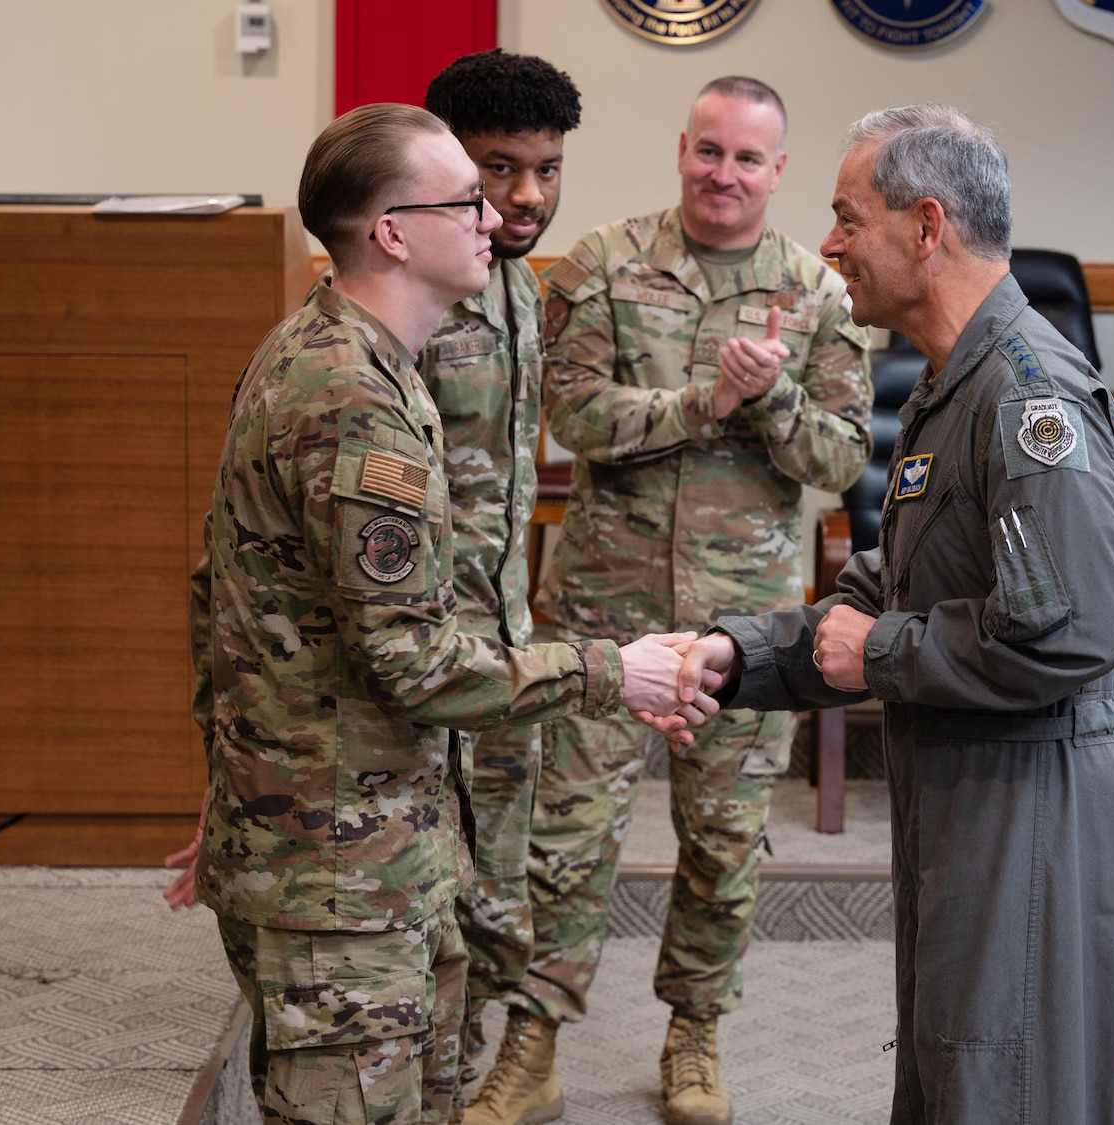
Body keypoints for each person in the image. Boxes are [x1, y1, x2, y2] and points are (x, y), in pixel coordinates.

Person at [187, 102, 711, 1125]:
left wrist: (226, 770)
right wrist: (618, 672)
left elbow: (216, 585)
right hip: (339, 865)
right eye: (465, 197)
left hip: (379, 834)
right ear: (391, 232)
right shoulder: (350, 396)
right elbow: (414, 663)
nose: (496, 216)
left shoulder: (357, 357)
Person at [676, 105, 1114, 1125]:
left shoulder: (1029, 398)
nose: (830, 243)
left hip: (1033, 789)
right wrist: (735, 655)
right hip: (969, 771)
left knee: (1003, 1083)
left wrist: (879, 654)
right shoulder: (953, 383)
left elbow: (1069, 635)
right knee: (952, 1070)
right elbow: (893, 590)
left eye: (848, 216)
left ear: (924, 228)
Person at [465, 76, 872, 1125]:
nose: (723, 174)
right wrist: (709, 401)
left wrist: (774, 393)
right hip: (606, 615)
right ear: (680, 150)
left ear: (777, 171)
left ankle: (693, 1038)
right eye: (708, 151)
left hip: (745, 632)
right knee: (564, 840)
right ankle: (533, 1042)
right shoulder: (598, 266)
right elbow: (571, 418)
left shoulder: (817, 292)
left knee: (725, 843)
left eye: (747, 158)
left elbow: (837, 459)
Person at [416, 49, 583, 1085]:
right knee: (424, 897)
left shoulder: (517, 288)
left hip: (501, 648)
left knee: (495, 885)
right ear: (445, 163)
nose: (527, 194)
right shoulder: (415, 292)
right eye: (499, 167)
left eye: (548, 168)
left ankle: (465, 1062)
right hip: (420, 653)